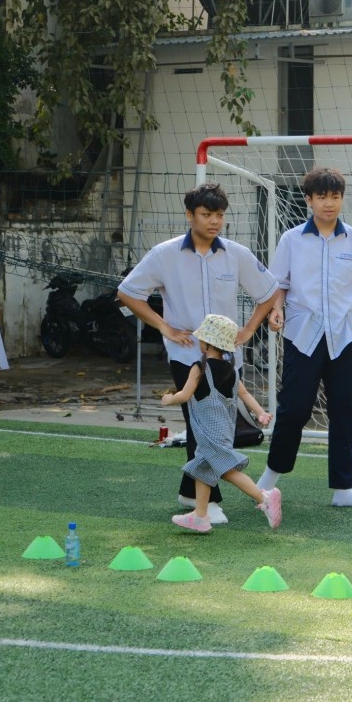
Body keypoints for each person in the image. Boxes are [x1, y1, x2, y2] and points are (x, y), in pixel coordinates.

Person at [118, 183, 278, 525]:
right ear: (189, 215)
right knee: (201, 425)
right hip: (185, 354)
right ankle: (209, 503)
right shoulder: (164, 254)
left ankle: (193, 497)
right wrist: (163, 327)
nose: (214, 221)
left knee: (209, 427)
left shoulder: (236, 253)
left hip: (226, 358)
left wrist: (249, 330)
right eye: (206, 215)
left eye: (219, 215)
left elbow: (269, 291)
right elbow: (128, 293)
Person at [256, 167, 352, 508]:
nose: (329, 203)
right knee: (294, 409)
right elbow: (278, 284)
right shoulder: (291, 240)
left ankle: (343, 489)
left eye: (335, 197)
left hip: (344, 338)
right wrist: (275, 309)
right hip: (302, 337)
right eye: (322, 197)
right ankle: (269, 478)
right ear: (309, 200)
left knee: (345, 410)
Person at [162, 314, 282, 532]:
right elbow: (244, 394)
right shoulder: (230, 371)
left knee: (226, 471)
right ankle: (200, 515)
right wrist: (260, 413)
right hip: (223, 431)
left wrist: (169, 399)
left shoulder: (199, 368)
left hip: (209, 433)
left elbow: (185, 394)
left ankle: (263, 497)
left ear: (206, 342)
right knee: (202, 469)